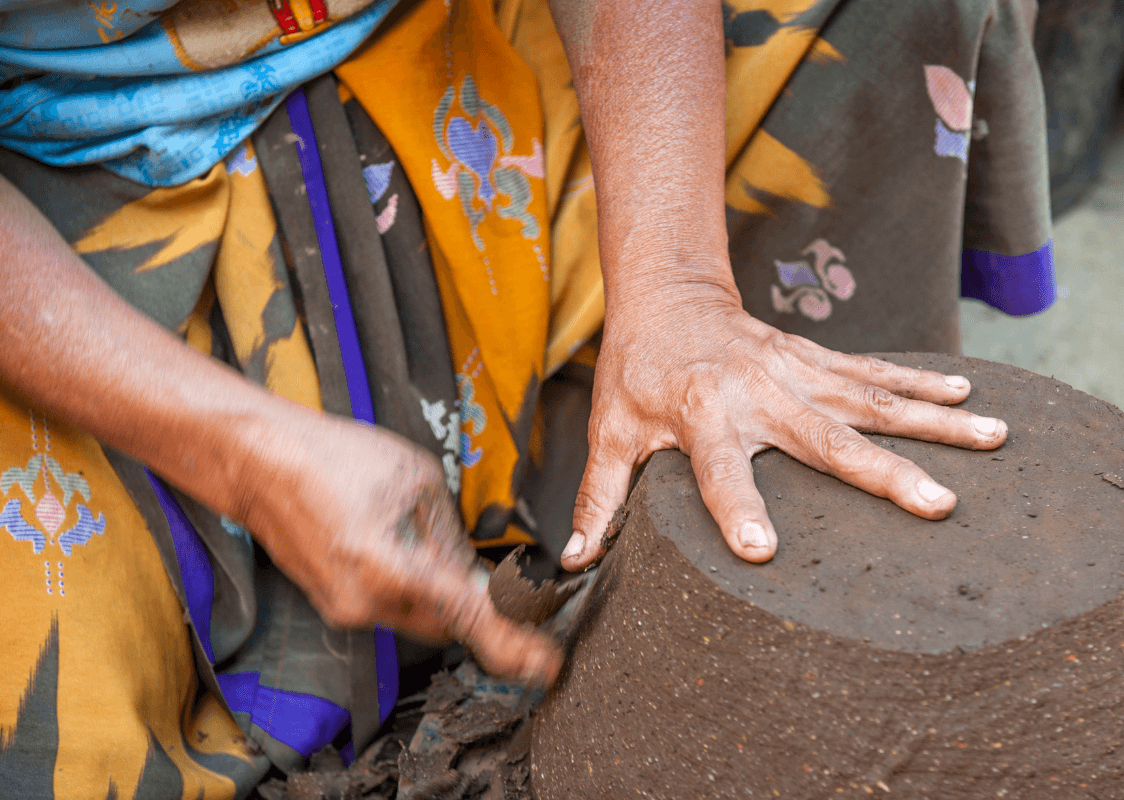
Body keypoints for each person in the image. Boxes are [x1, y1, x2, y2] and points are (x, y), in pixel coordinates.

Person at [0, 0, 1054, 796]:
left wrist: (679, 288)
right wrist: (236, 451)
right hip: (55, 226)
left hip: (450, 56)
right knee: (53, 724)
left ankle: (684, 527)